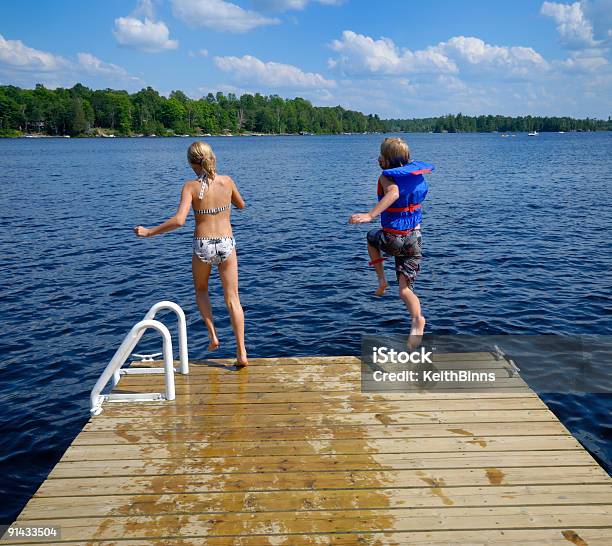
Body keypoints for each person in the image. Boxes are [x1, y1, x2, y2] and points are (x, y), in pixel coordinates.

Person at [134, 141, 248, 366]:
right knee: (233, 298)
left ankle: (213, 335)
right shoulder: (227, 181)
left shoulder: (190, 187)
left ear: (191, 163)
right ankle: (241, 352)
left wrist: (149, 232)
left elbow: (179, 220)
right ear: (212, 157)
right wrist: (224, 202)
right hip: (226, 243)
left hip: (203, 244)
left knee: (201, 290)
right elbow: (241, 205)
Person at [349, 137, 434, 347]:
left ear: (387, 160)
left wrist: (370, 215)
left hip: (393, 237)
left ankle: (381, 280)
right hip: (415, 239)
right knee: (405, 290)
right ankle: (417, 320)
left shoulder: (386, 177)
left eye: (381, 156)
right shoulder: (416, 176)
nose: (378, 159)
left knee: (371, 237)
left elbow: (394, 193)